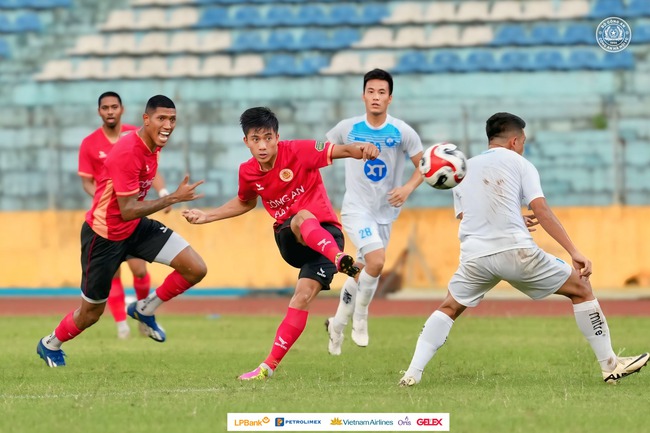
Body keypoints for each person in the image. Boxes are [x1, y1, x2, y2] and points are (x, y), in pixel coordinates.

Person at [399, 112, 648, 386]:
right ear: (515, 141)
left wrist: (515, 217)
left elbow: (468, 216)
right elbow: (540, 208)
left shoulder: (464, 169)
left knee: (449, 307)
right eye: (524, 141)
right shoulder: (520, 163)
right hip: (516, 252)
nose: (523, 146)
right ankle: (610, 365)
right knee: (582, 288)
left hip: (476, 257)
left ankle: (412, 373)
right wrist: (574, 251)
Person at [182, 107, 379, 380]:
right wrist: (208, 215)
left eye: (267, 138)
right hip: (290, 238)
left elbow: (342, 150)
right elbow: (246, 201)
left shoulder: (299, 151)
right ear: (246, 142)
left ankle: (267, 368)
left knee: (301, 298)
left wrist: (365, 149)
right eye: (255, 139)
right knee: (301, 217)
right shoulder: (248, 172)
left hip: (327, 237)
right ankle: (341, 260)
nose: (262, 146)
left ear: (277, 137)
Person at [37, 95, 207, 367]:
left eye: (172, 119)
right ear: (146, 119)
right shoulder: (128, 151)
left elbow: (133, 209)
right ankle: (50, 343)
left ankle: (144, 308)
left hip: (135, 227)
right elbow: (127, 209)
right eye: (161, 119)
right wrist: (171, 198)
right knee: (91, 313)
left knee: (195, 267)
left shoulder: (153, 143)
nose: (168, 125)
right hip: (104, 235)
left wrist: (164, 193)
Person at [324, 68, 424, 355]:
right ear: (363, 96)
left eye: (382, 92)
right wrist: (353, 148)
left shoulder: (402, 131)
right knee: (377, 262)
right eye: (371, 92)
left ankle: (336, 325)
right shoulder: (347, 127)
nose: (376, 97)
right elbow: (325, 150)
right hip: (356, 209)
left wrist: (406, 189)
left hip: (385, 213)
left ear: (390, 98)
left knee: (362, 273)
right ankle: (361, 318)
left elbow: (424, 166)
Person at [78, 91, 171, 339]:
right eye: (105, 107)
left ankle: (144, 314)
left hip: (131, 217)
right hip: (107, 218)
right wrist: (105, 201)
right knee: (112, 275)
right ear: (99, 112)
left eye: (114, 107)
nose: (110, 111)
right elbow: (88, 182)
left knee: (139, 269)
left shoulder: (137, 135)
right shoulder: (90, 143)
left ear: (122, 110)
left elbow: (151, 168)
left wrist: (163, 192)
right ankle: (121, 323)